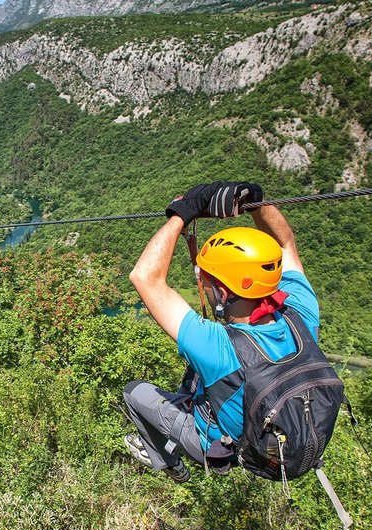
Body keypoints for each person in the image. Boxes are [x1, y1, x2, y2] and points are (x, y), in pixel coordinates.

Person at [123, 181, 321, 482]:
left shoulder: (218, 348)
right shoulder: (301, 313)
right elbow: (285, 245)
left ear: (223, 293)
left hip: (224, 446)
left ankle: (169, 464)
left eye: (207, 281)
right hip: (280, 433)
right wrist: (255, 202)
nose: (203, 285)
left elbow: (145, 277)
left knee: (134, 393)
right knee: (194, 377)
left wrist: (183, 212)